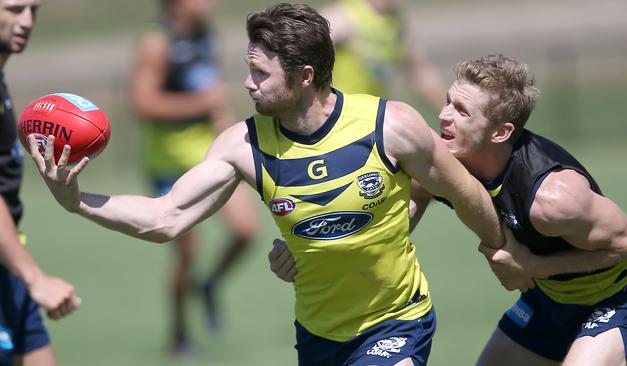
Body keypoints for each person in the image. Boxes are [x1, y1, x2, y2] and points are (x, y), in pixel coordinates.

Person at [27, 4, 504, 365]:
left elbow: (463, 190)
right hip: (319, 335)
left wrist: (505, 254)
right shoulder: (243, 146)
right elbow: (166, 216)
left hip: (398, 321)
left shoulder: (391, 125)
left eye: (261, 74)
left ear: (304, 76)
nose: (247, 85)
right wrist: (78, 202)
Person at [269, 54, 627, 366]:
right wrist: (316, 251)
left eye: (463, 111)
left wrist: (534, 268)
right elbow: (406, 207)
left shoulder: (552, 199)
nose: (444, 115)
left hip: (623, 297)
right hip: (551, 300)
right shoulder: (441, 164)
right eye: (448, 101)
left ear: (500, 132)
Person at [129, 0, 259, 354]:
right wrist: (199, 104)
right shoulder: (157, 42)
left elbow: (213, 97)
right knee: (187, 251)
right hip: (168, 159)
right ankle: (179, 333)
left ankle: (210, 285)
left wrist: (226, 124)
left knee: (247, 231)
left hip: (208, 153)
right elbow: (142, 104)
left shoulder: (206, 36)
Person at [0, 0, 81, 365]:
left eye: (34, 9)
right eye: (15, 9)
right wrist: (35, 278)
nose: (28, 21)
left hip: (9, 270)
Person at [322, 0, 447, 110]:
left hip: (372, 117)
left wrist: (453, 110)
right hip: (338, 116)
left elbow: (421, 74)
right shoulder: (342, 18)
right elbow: (306, 53)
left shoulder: (395, 24)